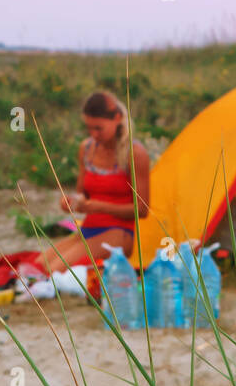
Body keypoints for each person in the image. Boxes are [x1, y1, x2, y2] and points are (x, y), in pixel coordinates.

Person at [34, 91, 150, 292]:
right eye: (89, 128)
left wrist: (98, 207)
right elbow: (83, 194)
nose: (94, 134)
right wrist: (71, 202)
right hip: (88, 229)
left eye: (99, 128)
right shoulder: (87, 148)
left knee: (52, 273)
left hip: (119, 233)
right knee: (36, 267)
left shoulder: (135, 153)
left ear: (117, 119)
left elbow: (142, 209)